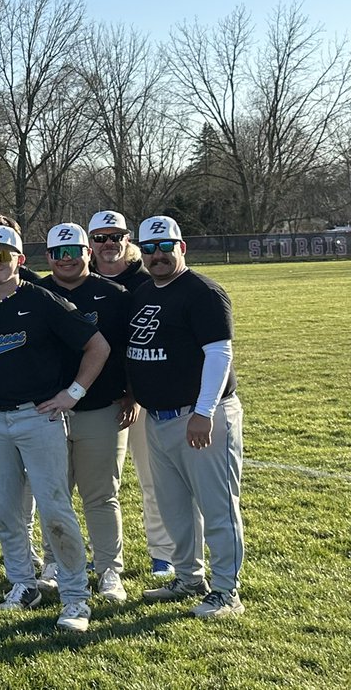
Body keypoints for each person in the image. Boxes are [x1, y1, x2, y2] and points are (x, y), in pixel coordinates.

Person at [0, 225, 109, 633]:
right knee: (6, 508)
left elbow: (98, 346)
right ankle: (22, 583)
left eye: (4, 255)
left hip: (40, 416)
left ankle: (75, 597)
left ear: (20, 260)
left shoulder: (43, 301)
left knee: (54, 507)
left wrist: (72, 393)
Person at [128, 216, 246, 619]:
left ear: (182, 247)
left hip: (199, 417)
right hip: (158, 419)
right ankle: (189, 577)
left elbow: (219, 355)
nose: (157, 255)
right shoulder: (145, 291)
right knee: (174, 506)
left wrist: (203, 411)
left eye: (165, 247)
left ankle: (228, 591)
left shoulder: (203, 292)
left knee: (216, 506)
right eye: (149, 249)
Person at [88, 209, 191, 581]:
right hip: (98, 398)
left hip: (145, 394)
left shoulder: (147, 281)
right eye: (100, 237)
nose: (108, 244)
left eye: (115, 236)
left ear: (127, 240)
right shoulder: (77, 280)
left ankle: (163, 553)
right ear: (89, 243)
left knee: (154, 479)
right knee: (99, 484)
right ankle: (100, 553)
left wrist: (134, 393)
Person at [37, 222, 135, 603]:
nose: (67, 259)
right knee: (53, 494)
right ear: (47, 257)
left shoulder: (116, 295)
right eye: (59, 253)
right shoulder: (35, 292)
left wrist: (134, 394)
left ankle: (109, 568)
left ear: (88, 253)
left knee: (101, 495)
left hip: (101, 407)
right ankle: (53, 563)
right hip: (46, 411)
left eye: (74, 250)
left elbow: (131, 348)